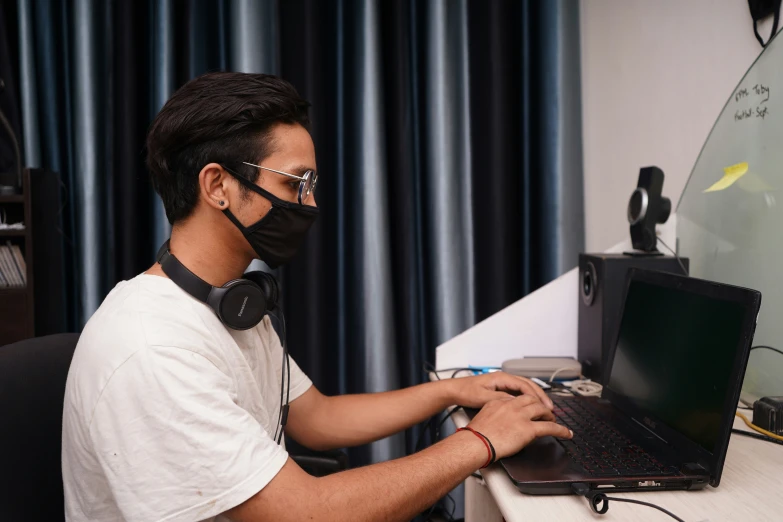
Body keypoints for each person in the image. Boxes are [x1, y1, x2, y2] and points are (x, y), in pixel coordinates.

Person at [61, 71, 572, 522]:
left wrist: (451, 393)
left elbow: (318, 418)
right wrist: (480, 440)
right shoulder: (155, 347)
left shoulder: (229, 307)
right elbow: (305, 513)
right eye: (297, 183)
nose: (311, 203)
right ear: (217, 185)